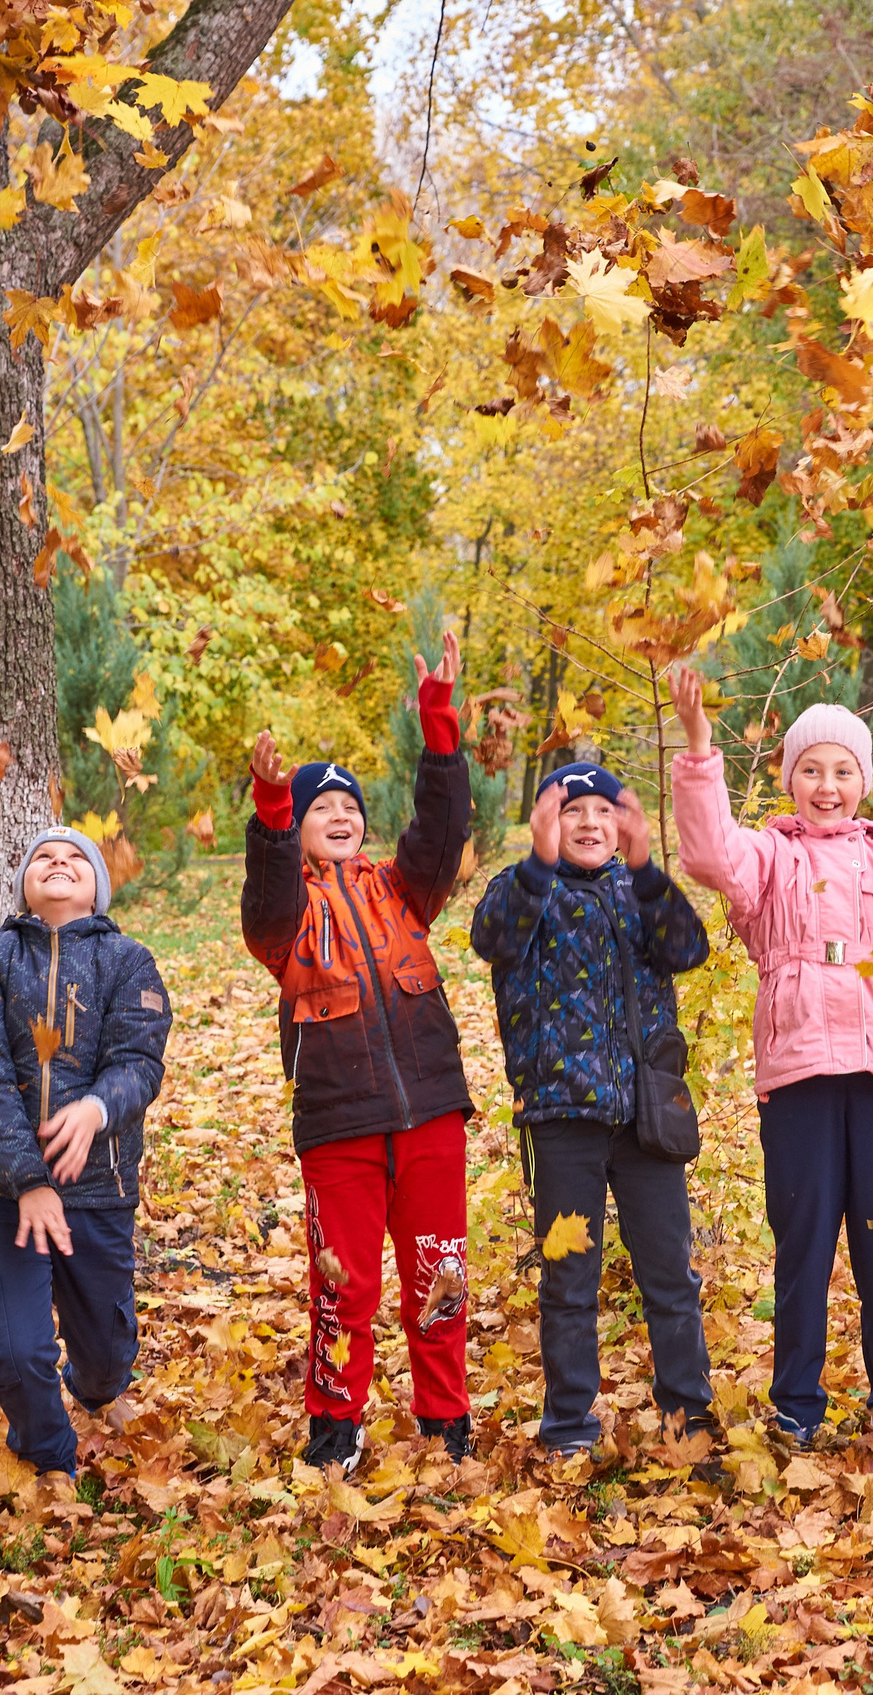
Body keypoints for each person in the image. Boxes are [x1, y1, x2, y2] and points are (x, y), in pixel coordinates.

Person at [670, 671, 873, 1444]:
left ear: (864, 782)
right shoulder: (769, 858)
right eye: (811, 769)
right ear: (791, 779)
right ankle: (797, 1405)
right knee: (805, 1242)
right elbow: (711, 854)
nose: (827, 785)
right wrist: (698, 748)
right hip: (799, 1071)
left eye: (843, 770)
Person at [242, 630, 476, 1478]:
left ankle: (444, 1416)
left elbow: (443, 831)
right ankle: (335, 1425)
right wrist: (271, 810)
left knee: (438, 1270)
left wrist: (439, 726)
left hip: (431, 1117)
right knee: (345, 1285)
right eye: (318, 808)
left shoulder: (401, 891)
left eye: (349, 805)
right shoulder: (287, 917)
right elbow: (265, 897)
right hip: (339, 1125)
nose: (339, 815)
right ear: (297, 830)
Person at [471, 761, 717, 1464]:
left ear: (622, 826)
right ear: (545, 824)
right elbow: (492, 938)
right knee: (569, 1280)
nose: (587, 824)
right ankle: (570, 1424)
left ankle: (687, 1417)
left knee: (670, 1274)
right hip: (562, 1120)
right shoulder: (523, 893)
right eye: (571, 811)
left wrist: (646, 870)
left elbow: (688, 947)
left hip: (646, 1120)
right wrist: (536, 866)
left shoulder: (639, 893)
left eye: (602, 813)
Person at [0, 826, 172, 1485]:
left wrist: (97, 1108)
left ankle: (98, 1390)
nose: (59, 862)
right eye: (43, 856)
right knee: (18, 1349)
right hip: (1, 1188)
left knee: (104, 1356)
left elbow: (139, 1060)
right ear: (23, 883)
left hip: (95, 1187)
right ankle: (49, 1455)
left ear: (98, 890)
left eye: (77, 857)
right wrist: (26, 1178)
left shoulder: (129, 960)